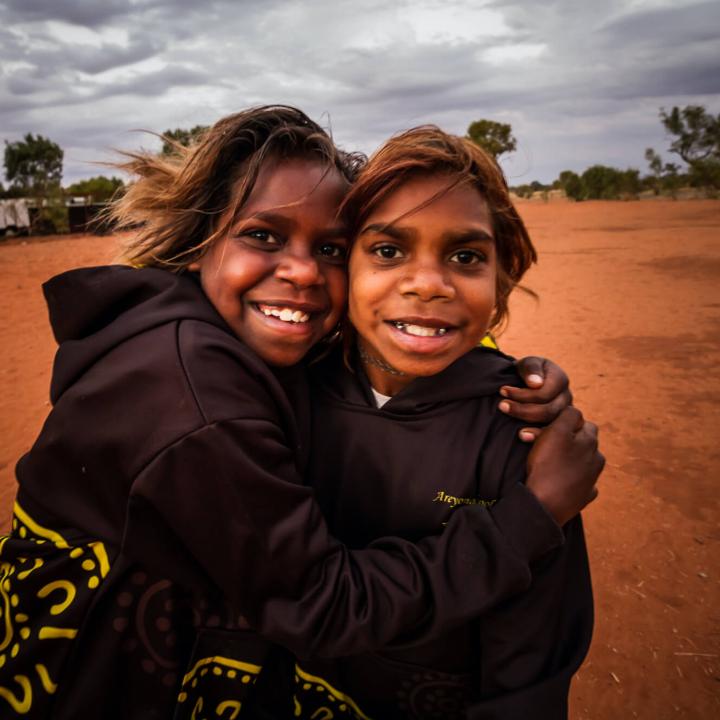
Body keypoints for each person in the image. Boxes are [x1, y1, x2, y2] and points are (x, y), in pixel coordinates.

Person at [0, 107, 598, 720]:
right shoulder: (203, 402)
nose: (305, 271)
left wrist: (502, 368)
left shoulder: (507, 432)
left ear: (504, 274)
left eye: (332, 247)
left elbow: (531, 671)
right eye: (262, 235)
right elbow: (320, 604)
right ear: (203, 237)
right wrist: (529, 517)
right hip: (98, 668)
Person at [285, 126, 601, 719]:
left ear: (501, 275)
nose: (428, 283)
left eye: (465, 256)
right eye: (387, 251)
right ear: (342, 262)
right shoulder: (290, 390)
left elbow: (529, 674)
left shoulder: (524, 439)